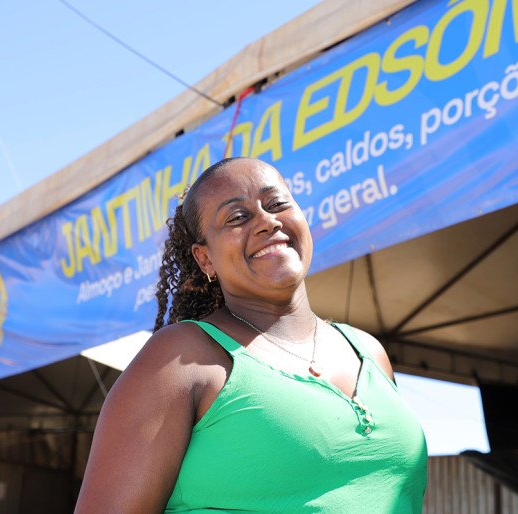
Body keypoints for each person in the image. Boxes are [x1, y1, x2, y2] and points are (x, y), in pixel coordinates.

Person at [75, 157, 427, 513]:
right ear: (205, 259)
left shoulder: (367, 350)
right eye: (237, 217)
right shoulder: (181, 359)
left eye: (277, 204)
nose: (267, 221)